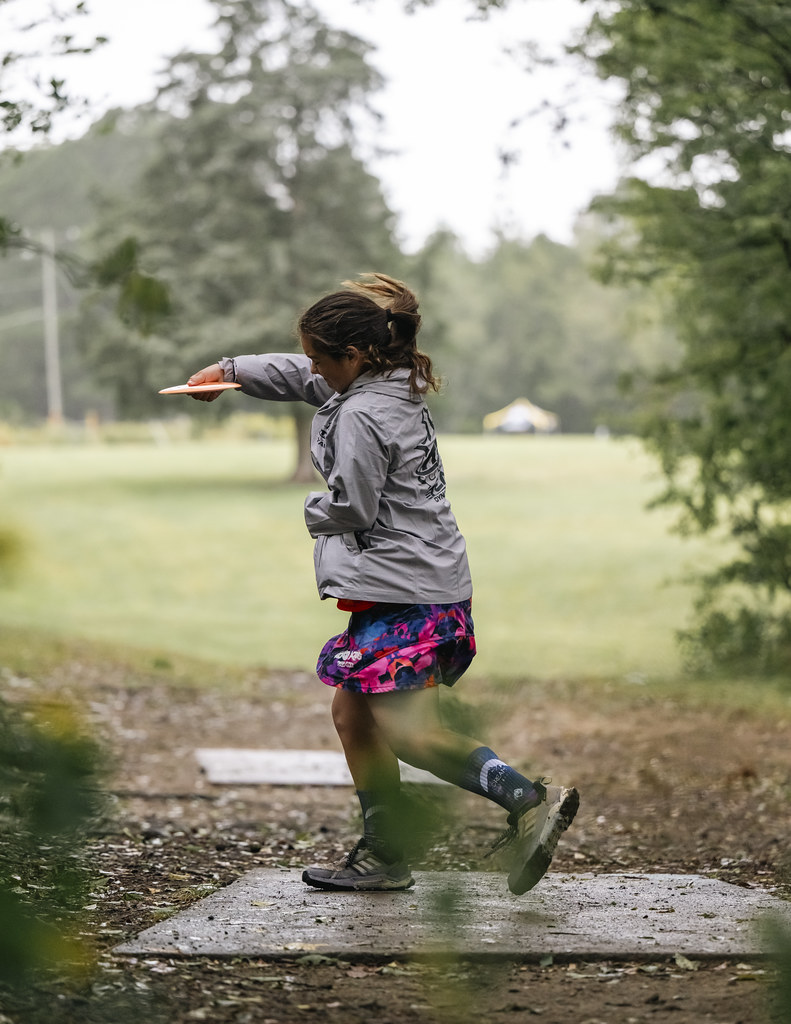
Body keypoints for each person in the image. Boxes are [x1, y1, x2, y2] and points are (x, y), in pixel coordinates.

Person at [187, 272, 579, 894]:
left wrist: (309, 512)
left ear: (353, 355)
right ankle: (386, 851)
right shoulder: (385, 381)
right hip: (413, 581)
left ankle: (528, 799)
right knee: (354, 714)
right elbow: (301, 375)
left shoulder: (363, 415)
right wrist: (231, 371)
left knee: (410, 732)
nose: (313, 370)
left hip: (411, 588)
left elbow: (354, 507)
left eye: (321, 359)